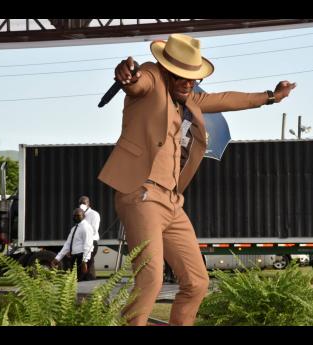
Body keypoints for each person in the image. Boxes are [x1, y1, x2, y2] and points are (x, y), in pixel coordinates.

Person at [98, 33, 297, 326]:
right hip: (141, 194)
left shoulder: (188, 97)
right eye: (182, 77)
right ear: (167, 69)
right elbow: (136, 82)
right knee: (151, 280)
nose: (188, 83)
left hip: (171, 202)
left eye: (193, 78)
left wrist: (271, 97)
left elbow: (227, 99)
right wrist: (126, 75)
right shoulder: (152, 77)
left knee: (197, 282)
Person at [52, 208, 94, 281]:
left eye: (78, 216)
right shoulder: (74, 228)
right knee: (74, 281)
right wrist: (57, 258)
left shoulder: (86, 227)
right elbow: (67, 245)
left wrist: (84, 261)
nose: (75, 217)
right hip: (75, 258)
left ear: (83, 216)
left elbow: (88, 245)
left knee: (82, 282)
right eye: (74, 216)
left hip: (82, 258)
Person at [78, 195, 101, 280]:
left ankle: (89, 282)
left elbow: (94, 230)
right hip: (82, 242)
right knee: (85, 264)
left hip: (91, 242)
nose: (81, 205)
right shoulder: (80, 214)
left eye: (84, 203)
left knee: (88, 263)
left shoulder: (94, 214)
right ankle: (88, 282)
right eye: (80, 203)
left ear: (88, 204)